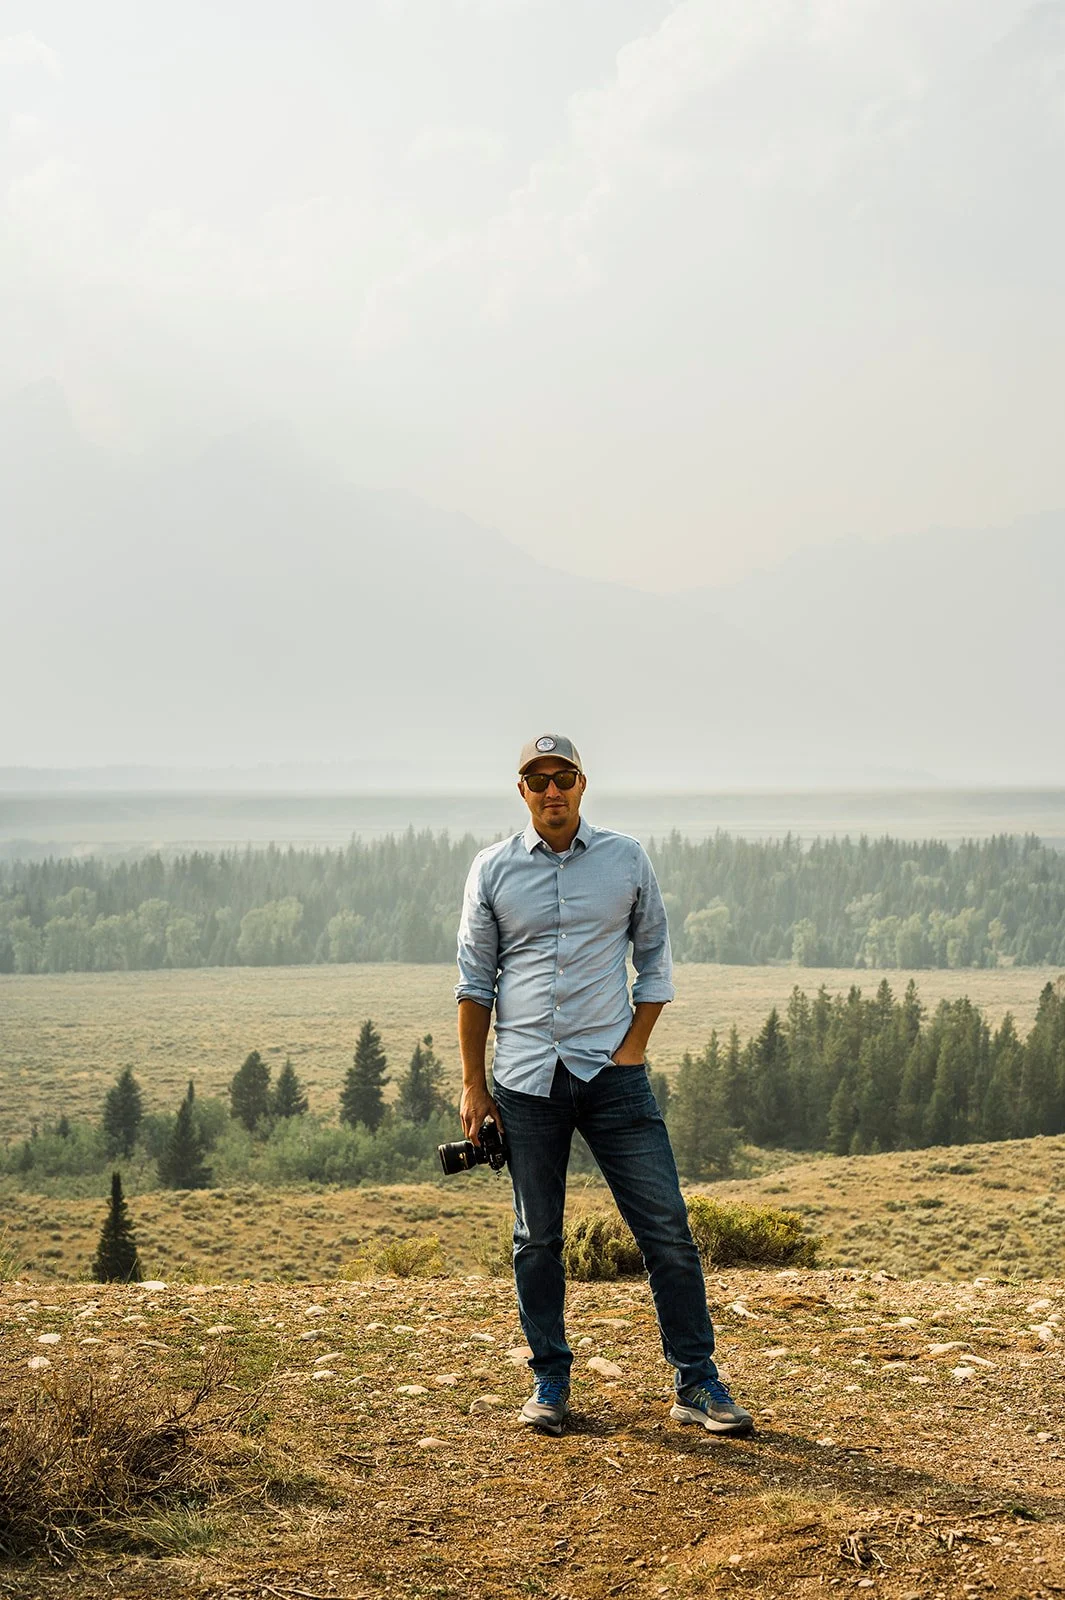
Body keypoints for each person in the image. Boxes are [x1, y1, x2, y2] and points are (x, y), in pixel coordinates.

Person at [455, 734, 753, 1438]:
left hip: (611, 1076)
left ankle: (696, 1381)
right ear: (520, 791)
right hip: (526, 1080)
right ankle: (550, 1381)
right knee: (536, 1240)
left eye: (563, 778)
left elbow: (654, 960)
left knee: (668, 1233)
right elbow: (474, 983)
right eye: (537, 780)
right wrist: (474, 1086)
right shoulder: (491, 870)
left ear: (582, 786)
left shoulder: (625, 858)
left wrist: (633, 1049)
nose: (550, 790)